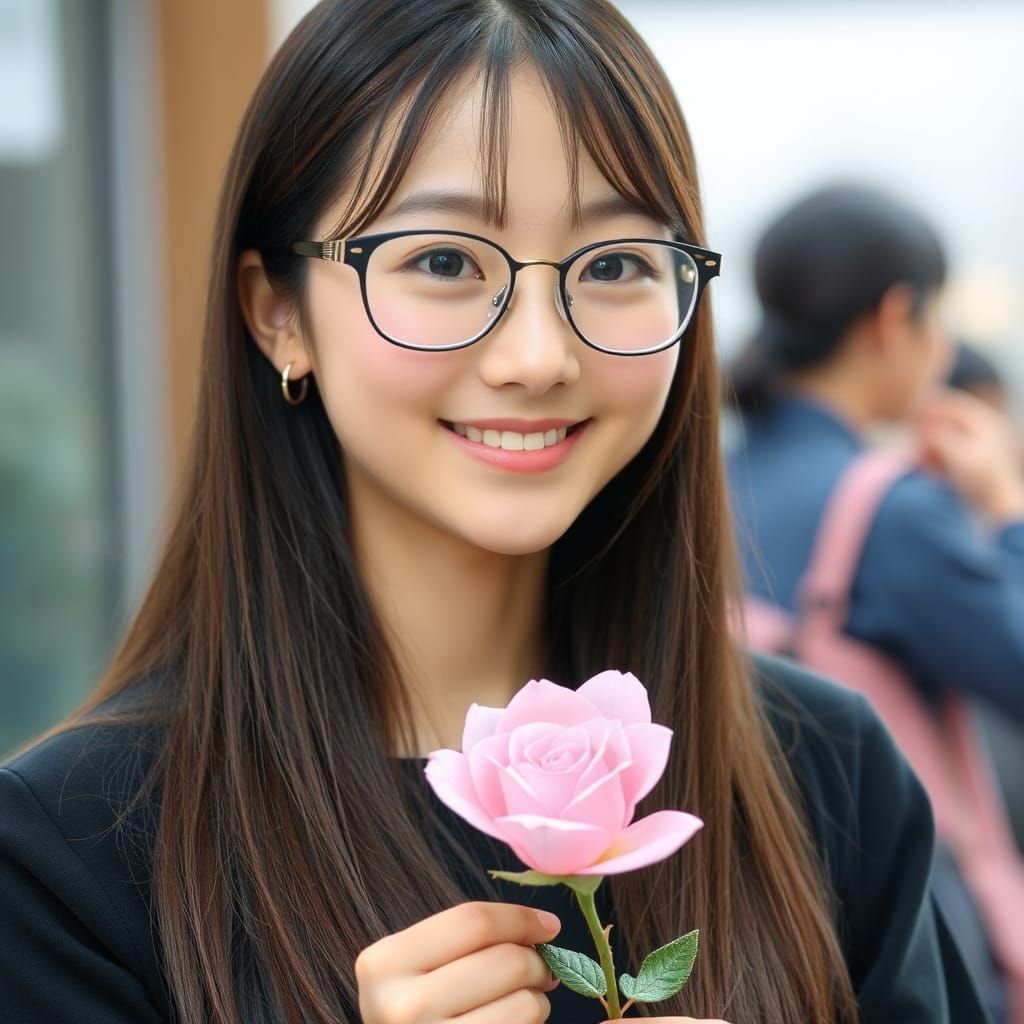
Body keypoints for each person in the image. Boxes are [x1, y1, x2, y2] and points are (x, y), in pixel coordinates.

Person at [0, 6, 985, 1024]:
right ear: (278, 312)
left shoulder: (825, 771)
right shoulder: (66, 857)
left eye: (614, 265)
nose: (537, 357)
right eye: (443, 261)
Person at [725, 183, 1024, 1024]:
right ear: (895, 319)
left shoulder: (707, 484)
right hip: (909, 925)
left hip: (753, 918)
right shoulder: (892, 509)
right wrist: (1007, 510)